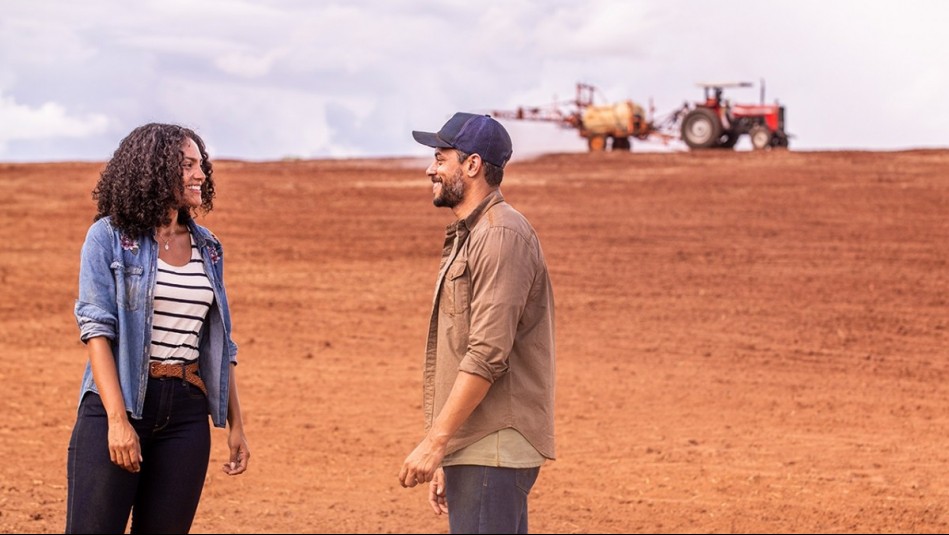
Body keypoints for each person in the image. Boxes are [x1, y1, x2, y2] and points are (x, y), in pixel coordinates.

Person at [66, 123, 250, 534]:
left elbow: (221, 343)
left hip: (186, 414)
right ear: (154, 170)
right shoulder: (109, 237)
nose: (200, 174)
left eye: (200, 164)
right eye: (187, 165)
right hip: (120, 402)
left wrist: (236, 424)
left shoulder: (209, 247)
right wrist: (117, 421)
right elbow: (97, 331)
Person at [399, 112, 556, 534]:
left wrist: (435, 443)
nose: (431, 168)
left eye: (440, 157)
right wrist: (451, 449)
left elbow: (487, 353)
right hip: (479, 445)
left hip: (494, 446)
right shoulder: (475, 233)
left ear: (472, 165)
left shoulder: (499, 235)